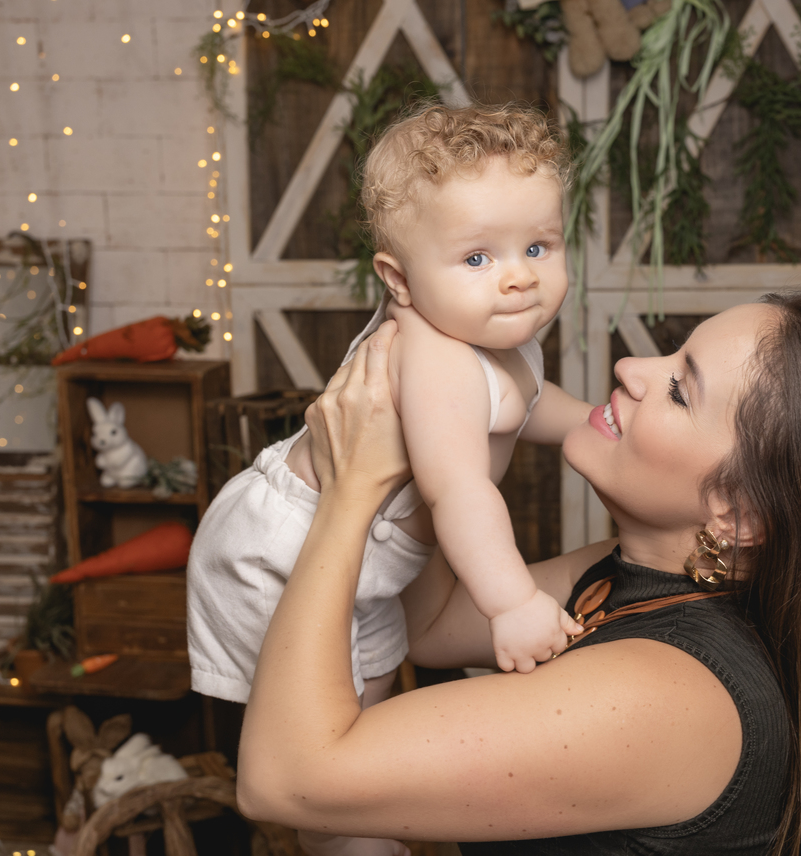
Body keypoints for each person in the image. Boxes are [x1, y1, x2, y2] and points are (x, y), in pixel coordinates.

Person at [236, 292, 801, 855]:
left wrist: (352, 491)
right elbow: (432, 625)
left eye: (679, 390)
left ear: (738, 514)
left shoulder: (669, 691)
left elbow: (285, 781)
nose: (632, 369)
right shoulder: (626, 575)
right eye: (673, 353)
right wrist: (436, 441)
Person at [187, 104, 591, 856]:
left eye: (538, 246)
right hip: (283, 551)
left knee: (365, 734)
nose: (518, 277)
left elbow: (533, 404)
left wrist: (596, 424)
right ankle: (341, 840)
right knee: (320, 738)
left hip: (368, 558)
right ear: (399, 280)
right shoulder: (434, 357)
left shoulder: (491, 333)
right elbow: (458, 490)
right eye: (478, 258)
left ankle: (357, 831)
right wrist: (509, 603)